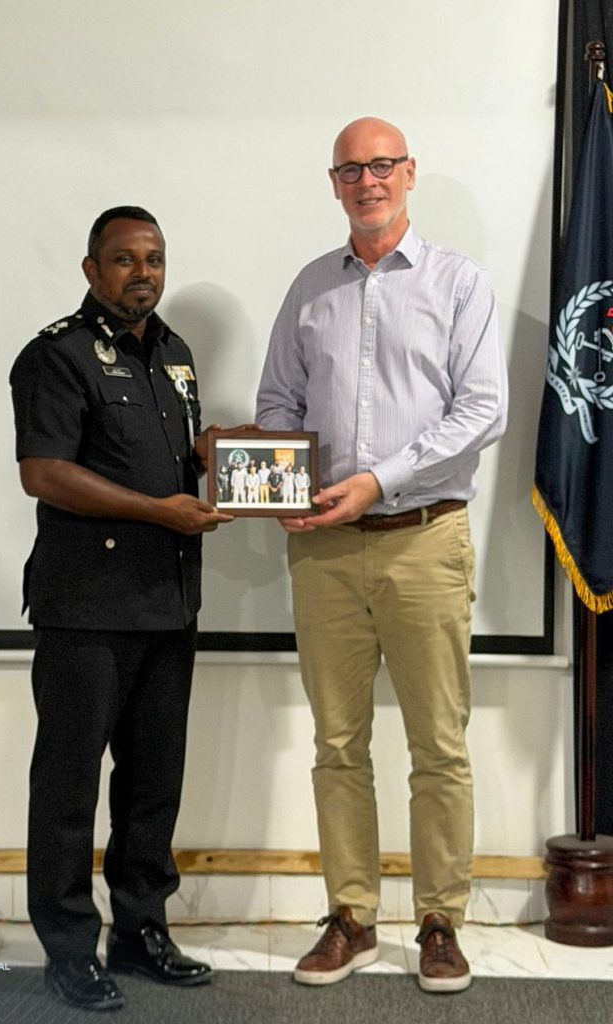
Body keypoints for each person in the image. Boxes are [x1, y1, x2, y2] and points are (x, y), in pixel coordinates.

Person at [255, 118, 507, 994]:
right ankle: (351, 918)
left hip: (425, 540)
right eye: (351, 169)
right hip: (325, 552)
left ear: (409, 174)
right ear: (334, 183)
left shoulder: (459, 282)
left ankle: (440, 923)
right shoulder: (310, 288)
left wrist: (377, 480)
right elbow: (278, 400)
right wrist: (286, 486)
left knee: (439, 744)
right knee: (337, 743)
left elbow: (481, 411)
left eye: (382, 165)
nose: (368, 181)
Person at [10, 206, 242, 1013]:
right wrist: (160, 510)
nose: (143, 273)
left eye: (155, 258)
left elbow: (159, 458)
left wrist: (210, 455)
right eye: (124, 259)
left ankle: (141, 931)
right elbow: (44, 472)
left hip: (168, 605)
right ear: (91, 270)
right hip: (87, 608)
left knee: (152, 786)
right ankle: (69, 950)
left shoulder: (174, 355)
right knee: (69, 790)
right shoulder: (57, 355)